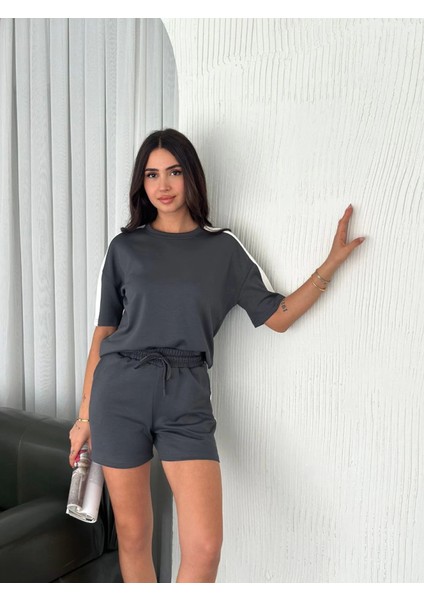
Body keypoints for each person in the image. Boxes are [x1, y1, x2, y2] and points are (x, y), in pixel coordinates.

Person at [69, 128, 365, 583]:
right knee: (133, 535)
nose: (163, 185)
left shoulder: (223, 248)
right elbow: (103, 334)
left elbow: (278, 316)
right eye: (151, 174)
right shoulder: (125, 248)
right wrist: (85, 416)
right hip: (119, 390)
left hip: (186, 395)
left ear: (191, 176)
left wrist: (331, 264)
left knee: (205, 548)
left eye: (174, 172)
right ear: (141, 184)